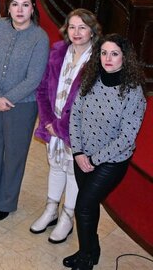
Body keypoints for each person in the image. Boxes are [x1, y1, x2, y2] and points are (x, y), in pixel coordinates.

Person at [65, 34, 148, 270]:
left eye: (114, 54)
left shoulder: (133, 93)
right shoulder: (90, 78)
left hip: (111, 162)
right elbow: (75, 116)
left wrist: (93, 159)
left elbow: (127, 138)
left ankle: (85, 256)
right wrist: (79, 152)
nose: (107, 58)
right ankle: (91, 251)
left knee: (82, 206)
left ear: (125, 58)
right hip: (83, 155)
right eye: (103, 53)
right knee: (89, 206)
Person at [30, 9, 101, 243]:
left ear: (92, 31)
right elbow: (42, 89)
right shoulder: (58, 51)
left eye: (82, 27)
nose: (77, 32)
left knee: (73, 172)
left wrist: (61, 127)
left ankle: (67, 217)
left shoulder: (98, 60)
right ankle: (51, 209)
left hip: (77, 132)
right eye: (72, 27)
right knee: (55, 166)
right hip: (53, 125)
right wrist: (49, 121)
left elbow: (91, 105)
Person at [0, 0, 50, 221]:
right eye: (15, 4)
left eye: (25, 5)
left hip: (22, 106)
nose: (20, 9)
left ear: (33, 9)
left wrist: (4, 101)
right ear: (7, 7)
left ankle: (6, 201)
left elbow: (34, 78)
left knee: (14, 154)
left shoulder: (40, 38)